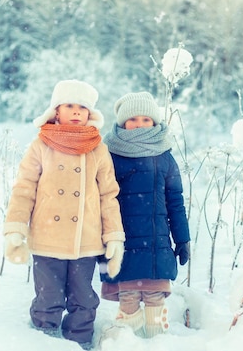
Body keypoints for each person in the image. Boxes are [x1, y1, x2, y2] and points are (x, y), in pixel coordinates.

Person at [2, 79, 126, 350]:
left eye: (82, 107)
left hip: (86, 241)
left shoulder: (97, 149)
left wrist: (114, 236)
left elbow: (109, 195)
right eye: (69, 105)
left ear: (90, 113)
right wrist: (15, 229)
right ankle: (43, 342)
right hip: (47, 239)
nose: (76, 111)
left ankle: (80, 341)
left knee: (83, 299)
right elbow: (24, 189)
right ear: (56, 110)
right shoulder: (40, 146)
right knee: (48, 299)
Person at [100, 91, 190, 338]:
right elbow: (101, 198)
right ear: (122, 123)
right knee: (127, 294)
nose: (139, 124)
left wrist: (182, 238)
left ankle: (157, 339)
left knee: (155, 295)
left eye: (145, 119)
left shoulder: (164, 156)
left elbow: (175, 201)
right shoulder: (110, 154)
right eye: (133, 119)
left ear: (155, 122)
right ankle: (129, 340)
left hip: (156, 241)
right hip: (122, 239)